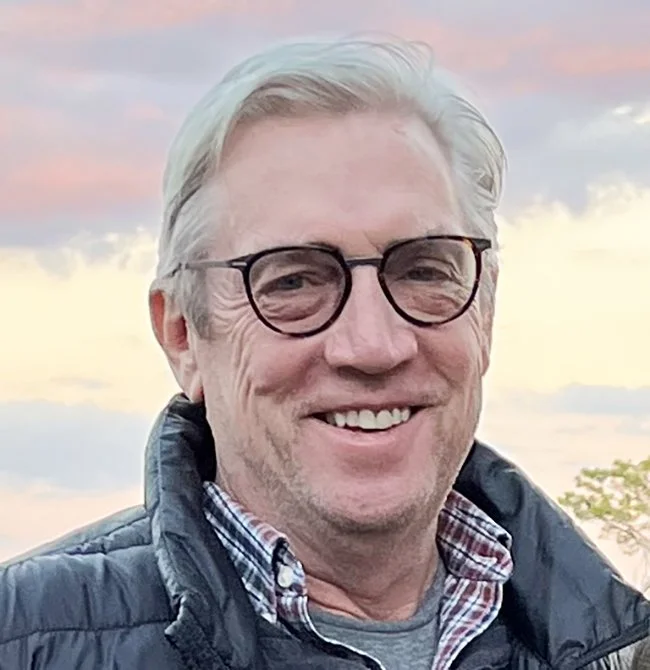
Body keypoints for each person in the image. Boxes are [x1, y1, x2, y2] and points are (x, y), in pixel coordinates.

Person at [1, 36, 649, 670]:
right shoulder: (24, 644)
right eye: (292, 281)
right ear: (184, 336)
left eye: (424, 270)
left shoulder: (620, 651)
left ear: (484, 311)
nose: (373, 345)